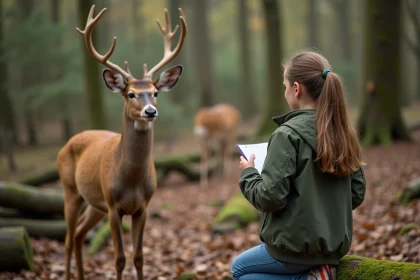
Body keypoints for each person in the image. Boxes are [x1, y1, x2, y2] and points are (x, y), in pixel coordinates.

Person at [231, 51, 366, 280]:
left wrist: (249, 173)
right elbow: (356, 193)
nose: (284, 92)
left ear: (296, 88)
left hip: (292, 251)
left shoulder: (286, 135)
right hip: (333, 248)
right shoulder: (343, 132)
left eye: (284, 86)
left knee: (239, 270)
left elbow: (270, 198)